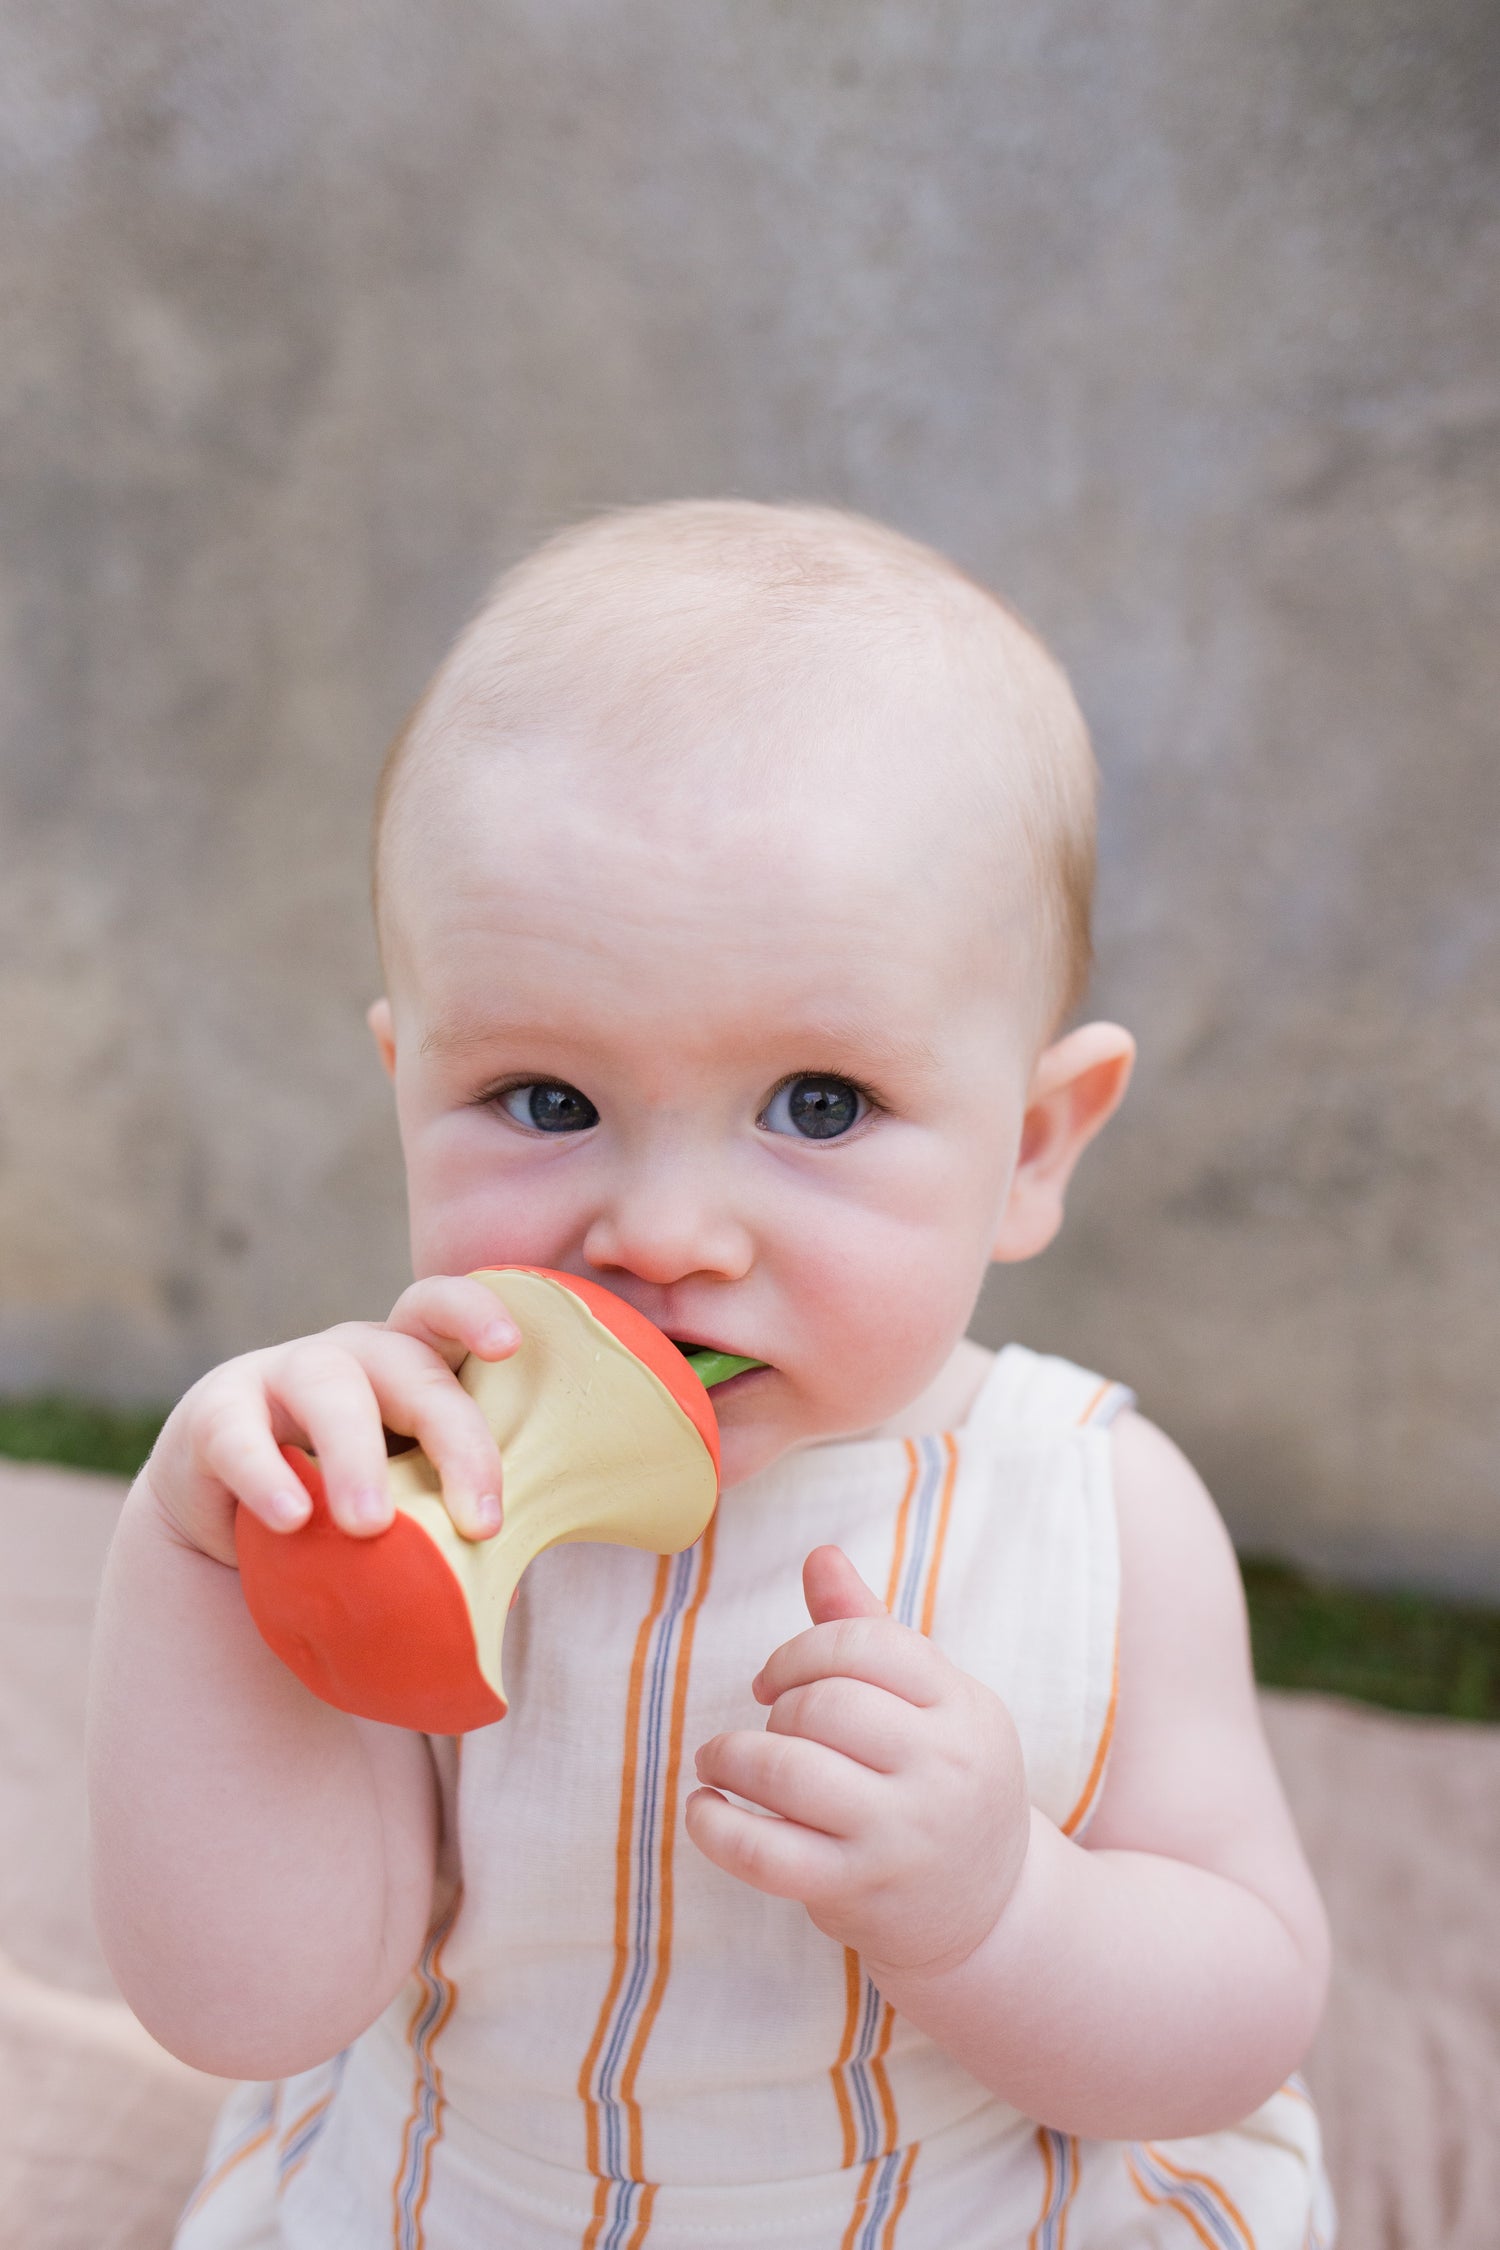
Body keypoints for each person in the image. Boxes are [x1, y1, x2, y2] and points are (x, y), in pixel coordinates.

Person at [87, 501, 1335, 2248]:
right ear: (405, 1088)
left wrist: (1003, 1911)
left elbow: (1246, 2010)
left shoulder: (1093, 1504)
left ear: (1033, 1144)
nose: (664, 1232)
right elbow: (251, 2004)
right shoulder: (411, 1477)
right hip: (478, 2200)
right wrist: (195, 1560)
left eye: (819, 1104)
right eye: (545, 1099)